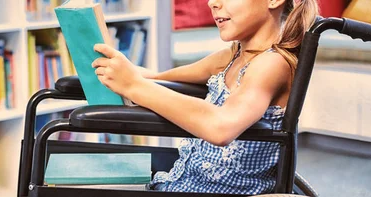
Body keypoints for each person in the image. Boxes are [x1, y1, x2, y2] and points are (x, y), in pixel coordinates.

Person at [91, 0, 318, 194]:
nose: (212, 3)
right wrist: (116, 69)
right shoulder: (231, 57)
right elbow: (156, 77)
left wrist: (134, 86)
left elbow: (221, 127)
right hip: (182, 181)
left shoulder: (272, 64)